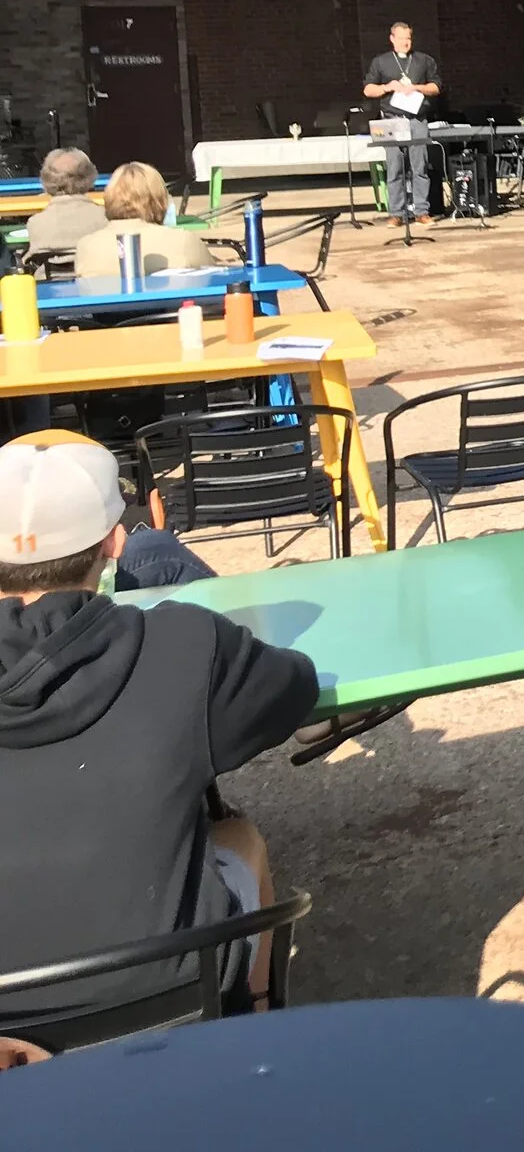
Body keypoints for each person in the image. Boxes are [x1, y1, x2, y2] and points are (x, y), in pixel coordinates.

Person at [0, 432, 318, 1035]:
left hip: (8, 1028)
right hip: (169, 998)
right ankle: (254, 1039)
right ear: (116, 542)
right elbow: (294, 688)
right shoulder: (184, 644)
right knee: (241, 839)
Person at [362, 19, 442, 228]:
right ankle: (396, 213)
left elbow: (435, 87)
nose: (405, 43)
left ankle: (421, 211)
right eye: (401, 38)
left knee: (419, 167)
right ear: (392, 39)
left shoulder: (423, 60)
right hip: (392, 120)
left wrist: (416, 87)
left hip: (416, 119)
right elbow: (368, 90)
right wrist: (388, 87)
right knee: (395, 167)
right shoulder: (381, 62)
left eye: (408, 38)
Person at [71, 162, 214, 279]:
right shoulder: (183, 240)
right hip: (172, 312)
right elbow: (214, 277)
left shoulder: (86, 246)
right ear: (159, 200)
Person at [22, 149, 105, 255]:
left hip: (50, 272)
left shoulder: (36, 223)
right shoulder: (104, 218)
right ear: (90, 177)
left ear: (46, 179)